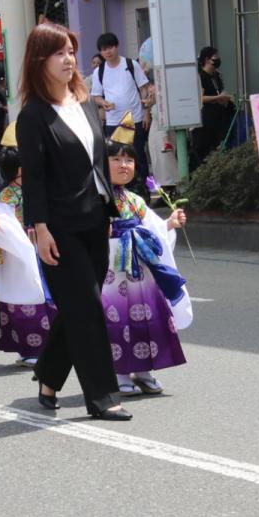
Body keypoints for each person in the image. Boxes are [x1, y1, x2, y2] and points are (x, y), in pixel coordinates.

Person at [17, 21, 132, 421]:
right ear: (39, 60)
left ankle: (49, 374)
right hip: (59, 226)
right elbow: (34, 178)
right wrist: (40, 228)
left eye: (70, 51)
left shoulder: (84, 103)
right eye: (58, 53)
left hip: (95, 217)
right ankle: (102, 396)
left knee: (79, 305)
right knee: (87, 308)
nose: (68, 60)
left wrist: (110, 208)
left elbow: (97, 162)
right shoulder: (32, 116)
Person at [102, 138, 192, 397]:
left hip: (140, 268)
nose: (124, 165)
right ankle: (120, 372)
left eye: (129, 160)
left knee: (144, 316)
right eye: (116, 159)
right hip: (111, 269)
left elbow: (154, 229)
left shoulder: (135, 200)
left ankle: (143, 370)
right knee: (116, 318)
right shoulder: (97, 197)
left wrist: (170, 223)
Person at [0, 147, 57, 369]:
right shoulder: (7, 195)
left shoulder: (31, 189)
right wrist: (23, 237)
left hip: (36, 248)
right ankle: (29, 350)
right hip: (18, 253)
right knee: (24, 302)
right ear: (17, 170)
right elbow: (3, 225)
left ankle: (47, 348)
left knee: (45, 298)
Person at [90, 32, 153, 193]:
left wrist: (146, 112)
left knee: (138, 155)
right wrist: (103, 103)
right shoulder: (99, 71)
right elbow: (96, 96)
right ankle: (121, 192)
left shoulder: (131, 65)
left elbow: (144, 89)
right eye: (103, 49)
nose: (107, 52)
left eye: (110, 47)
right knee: (116, 158)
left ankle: (143, 190)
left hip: (135, 119)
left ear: (117, 46)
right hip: (113, 122)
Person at [192, 46, 234, 173]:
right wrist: (217, 97)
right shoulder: (201, 77)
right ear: (207, 59)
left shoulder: (216, 76)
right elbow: (201, 98)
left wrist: (225, 98)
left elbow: (220, 92)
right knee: (205, 150)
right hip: (207, 119)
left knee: (220, 146)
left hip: (220, 117)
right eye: (215, 57)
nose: (218, 59)